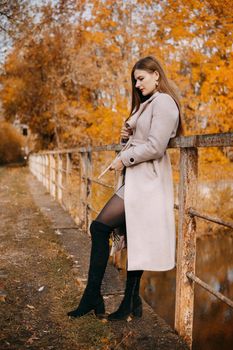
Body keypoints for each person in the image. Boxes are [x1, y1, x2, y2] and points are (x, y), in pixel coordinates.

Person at [67, 56, 182, 320]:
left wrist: (123, 158)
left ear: (156, 74)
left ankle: (94, 296)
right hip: (136, 180)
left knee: (99, 228)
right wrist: (125, 138)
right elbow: (142, 140)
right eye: (135, 80)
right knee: (130, 237)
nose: (137, 84)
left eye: (141, 78)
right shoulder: (148, 104)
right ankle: (127, 302)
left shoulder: (164, 102)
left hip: (147, 183)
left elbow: (156, 146)